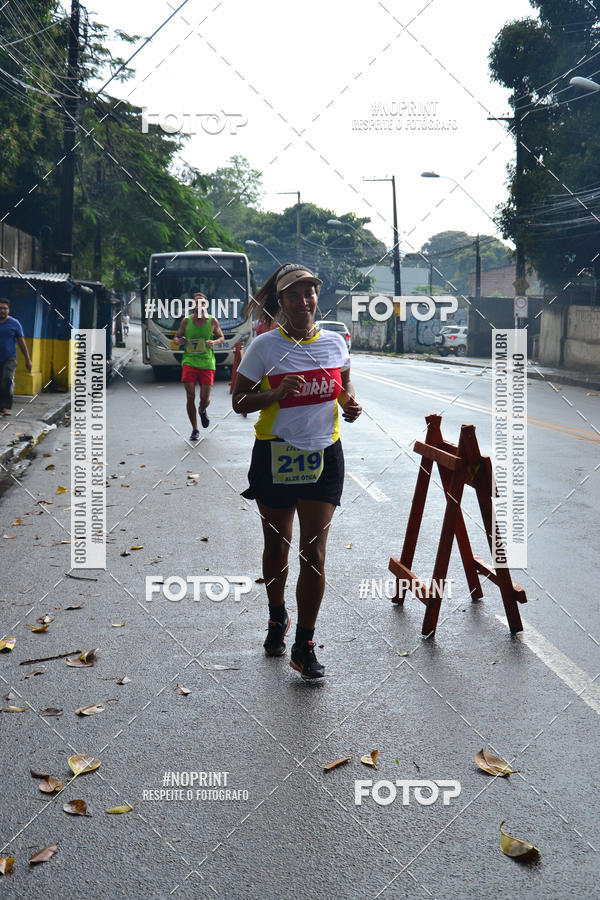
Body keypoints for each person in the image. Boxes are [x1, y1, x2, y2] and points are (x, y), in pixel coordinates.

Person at [231, 263, 362, 680]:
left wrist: (350, 405)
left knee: (315, 553)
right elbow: (239, 401)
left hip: (324, 455)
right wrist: (274, 392)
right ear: (281, 302)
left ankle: (304, 645)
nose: (304, 301)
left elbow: (343, 386)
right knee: (277, 547)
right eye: (294, 295)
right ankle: (276, 617)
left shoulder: (336, 342)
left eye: (310, 293)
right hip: (275, 454)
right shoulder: (265, 348)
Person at [174, 291, 224, 440]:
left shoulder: (212, 321)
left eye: (202, 302)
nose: (199, 304)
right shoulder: (186, 321)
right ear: (193, 305)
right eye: (196, 302)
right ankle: (195, 429)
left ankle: (202, 410)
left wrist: (214, 342)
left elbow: (222, 337)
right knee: (190, 396)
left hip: (207, 362)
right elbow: (176, 337)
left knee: (204, 399)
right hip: (189, 361)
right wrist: (180, 341)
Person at [0, 298, 32, 417]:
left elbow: (21, 342)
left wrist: (28, 360)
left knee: (6, 379)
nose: (2, 310)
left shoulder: (14, 323)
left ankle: (6, 407)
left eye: (4, 308)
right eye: (0, 308)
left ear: (9, 310)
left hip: (9, 358)